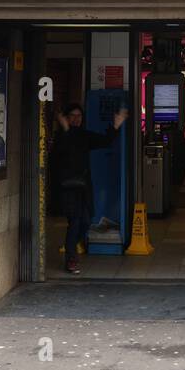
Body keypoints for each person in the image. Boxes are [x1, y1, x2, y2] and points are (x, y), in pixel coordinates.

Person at [53, 103, 128, 274]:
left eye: (79, 116)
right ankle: (71, 259)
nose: (76, 119)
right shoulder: (60, 136)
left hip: (83, 186)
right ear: (66, 117)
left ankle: (70, 248)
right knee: (75, 221)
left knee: (87, 220)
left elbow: (105, 141)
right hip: (67, 187)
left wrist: (116, 125)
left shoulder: (84, 136)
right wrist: (65, 130)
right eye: (72, 115)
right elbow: (59, 153)